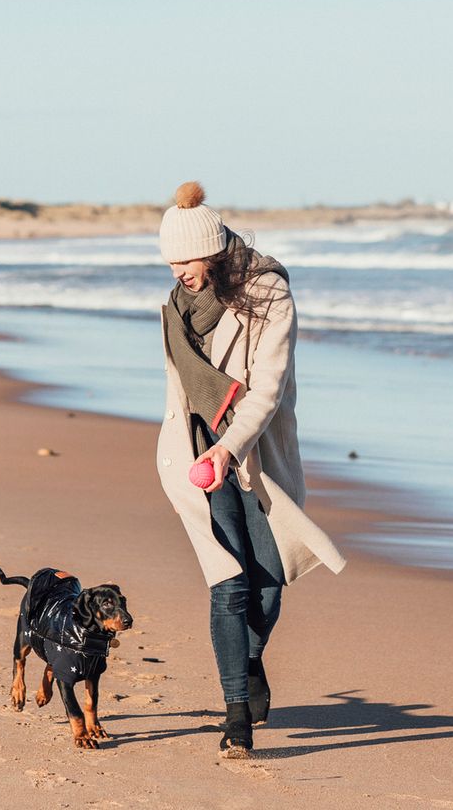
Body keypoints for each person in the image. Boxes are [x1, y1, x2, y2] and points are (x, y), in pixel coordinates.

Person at [153, 182, 345, 759]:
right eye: (170, 261)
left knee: (268, 582)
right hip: (194, 449)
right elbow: (181, 389)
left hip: (253, 450)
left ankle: (250, 661)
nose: (178, 270)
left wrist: (229, 449)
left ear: (211, 249)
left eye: (186, 259)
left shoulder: (267, 292)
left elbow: (268, 388)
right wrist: (204, 451)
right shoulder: (177, 307)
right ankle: (235, 712)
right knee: (228, 581)